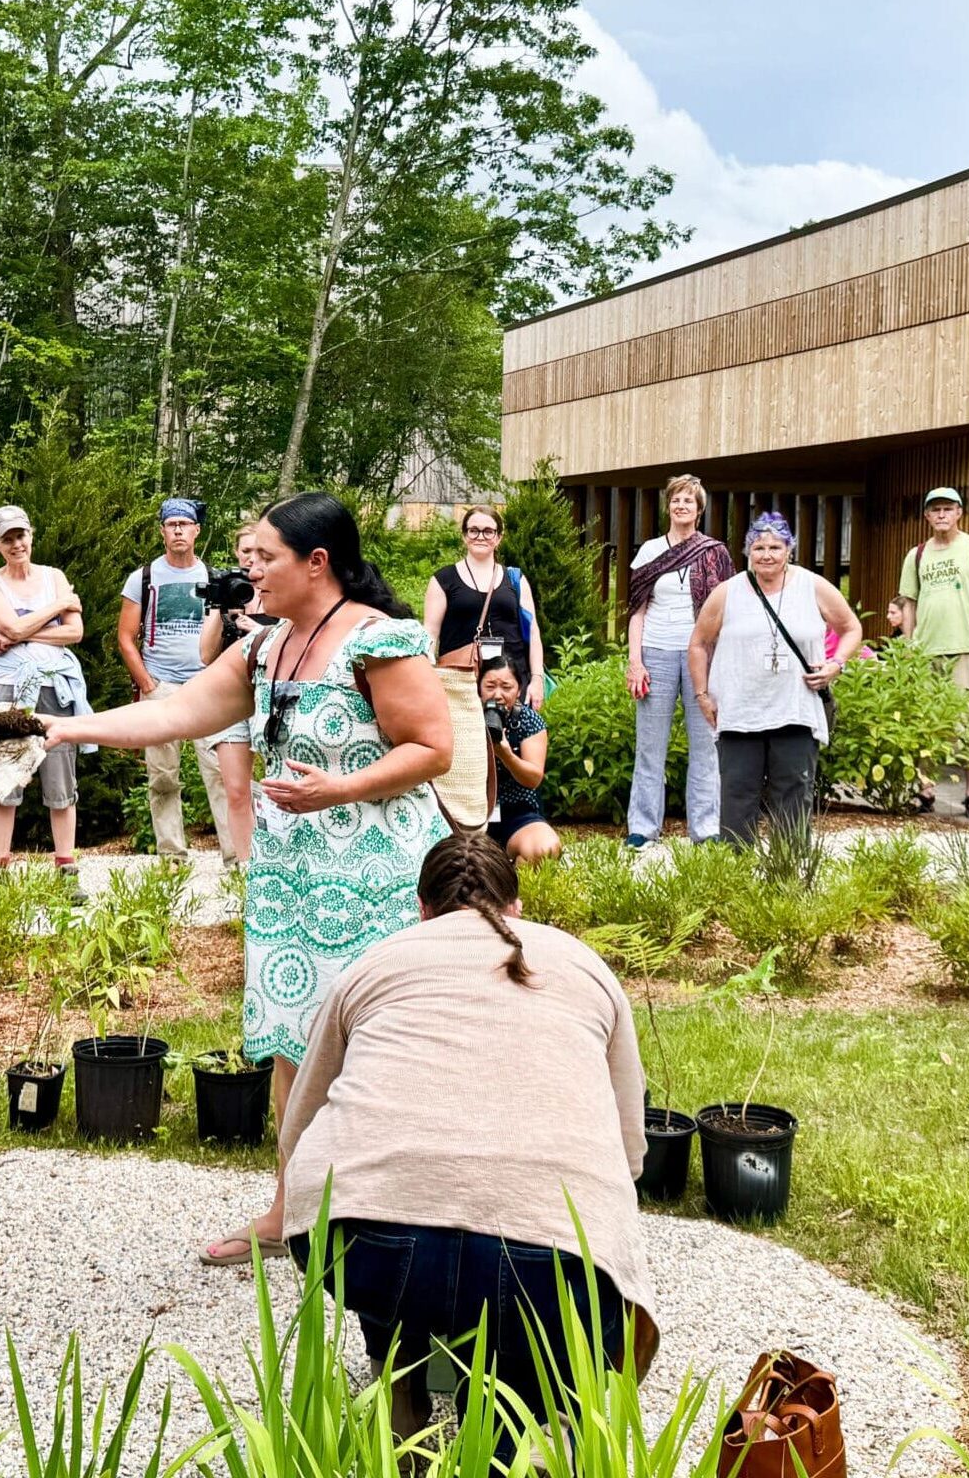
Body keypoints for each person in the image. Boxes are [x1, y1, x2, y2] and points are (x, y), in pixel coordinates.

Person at [41, 493, 451, 1266]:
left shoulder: (378, 641)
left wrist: (338, 789)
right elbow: (174, 713)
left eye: (263, 556)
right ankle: (289, 1213)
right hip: (291, 879)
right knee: (293, 1047)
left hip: (380, 879)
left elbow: (434, 749)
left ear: (316, 563)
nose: (248, 569)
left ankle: (395, 1221)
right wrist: (65, 727)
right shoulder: (263, 648)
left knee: (382, 1051)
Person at [280, 833, 656, 1444]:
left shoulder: (375, 962)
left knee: (389, 1233)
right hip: (550, 1258)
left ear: (421, 909)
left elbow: (298, 1134)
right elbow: (629, 1148)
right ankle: (518, 1435)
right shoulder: (583, 964)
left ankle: (397, 1395)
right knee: (534, 1322)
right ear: (516, 908)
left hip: (368, 1242)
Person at [689, 512, 861, 846]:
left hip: (795, 709)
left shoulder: (813, 586)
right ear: (747, 552)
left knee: (793, 795)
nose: (766, 554)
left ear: (789, 551)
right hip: (739, 712)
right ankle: (736, 875)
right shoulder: (727, 592)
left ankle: (788, 874)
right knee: (738, 796)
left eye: (775, 547)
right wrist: (701, 694)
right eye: (758, 547)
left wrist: (836, 664)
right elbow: (698, 643)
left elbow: (851, 627)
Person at [0, 506, 88, 882]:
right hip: (8, 688)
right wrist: (57, 606)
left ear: (31, 535)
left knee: (61, 778)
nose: (16, 543)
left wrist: (21, 633)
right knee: (4, 777)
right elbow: (8, 624)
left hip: (54, 684)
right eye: (7, 538)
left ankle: (66, 868)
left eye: (21, 535)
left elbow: (75, 633)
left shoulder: (53, 575)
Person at [624, 474, 733, 847]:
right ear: (668, 506)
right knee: (650, 745)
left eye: (689, 500)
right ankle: (642, 828)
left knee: (705, 744)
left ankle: (705, 829)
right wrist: (635, 662)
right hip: (656, 652)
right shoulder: (649, 552)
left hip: (702, 657)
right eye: (676, 500)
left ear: (699, 509)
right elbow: (636, 613)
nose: (682, 505)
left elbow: (725, 613)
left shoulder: (715, 553)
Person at [119, 499, 229, 859]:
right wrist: (147, 683)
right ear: (162, 531)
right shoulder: (144, 578)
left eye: (185, 524)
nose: (179, 530)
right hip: (161, 685)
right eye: (172, 524)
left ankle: (235, 857)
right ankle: (172, 856)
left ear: (197, 530)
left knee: (219, 771)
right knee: (163, 775)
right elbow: (125, 636)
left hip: (206, 686)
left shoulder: (213, 577)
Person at [424, 504, 543, 828]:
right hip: (462, 685)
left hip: (507, 680)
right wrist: (426, 682)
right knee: (469, 751)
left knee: (506, 741)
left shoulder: (514, 579)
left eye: (488, 530)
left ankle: (508, 816)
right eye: (474, 530)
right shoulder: (443, 580)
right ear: (464, 536)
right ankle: (469, 819)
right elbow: (429, 635)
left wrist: (536, 677)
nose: (480, 536)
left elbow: (532, 629)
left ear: (499, 537)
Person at [897, 487, 969, 819]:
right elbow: (908, 603)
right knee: (923, 723)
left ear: (959, 513)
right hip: (926, 652)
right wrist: (910, 646)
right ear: (926, 516)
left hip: (966, 648)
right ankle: (924, 789)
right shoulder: (917, 554)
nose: (941, 515)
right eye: (935, 510)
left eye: (947, 509)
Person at [196, 524, 271, 866]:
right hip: (233, 699)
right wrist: (218, 607)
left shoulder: (280, 589)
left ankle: (277, 858)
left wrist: (261, 633)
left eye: (259, 551)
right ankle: (244, 867)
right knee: (236, 789)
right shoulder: (228, 591)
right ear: (236, 553)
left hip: (273, 696)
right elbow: (206, 656)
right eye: (245, 552)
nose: (251, 558)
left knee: (280, 785)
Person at [479, 647, 560, 864]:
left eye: (506, 687)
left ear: (518, 690)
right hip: (472, 814)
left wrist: (506, 754)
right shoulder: (465, 717)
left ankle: (516, 874)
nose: (497, 694)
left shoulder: (527, 720)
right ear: (478, 688)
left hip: (518, 813)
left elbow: (533, 778)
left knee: (545, 849)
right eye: (490, 686)